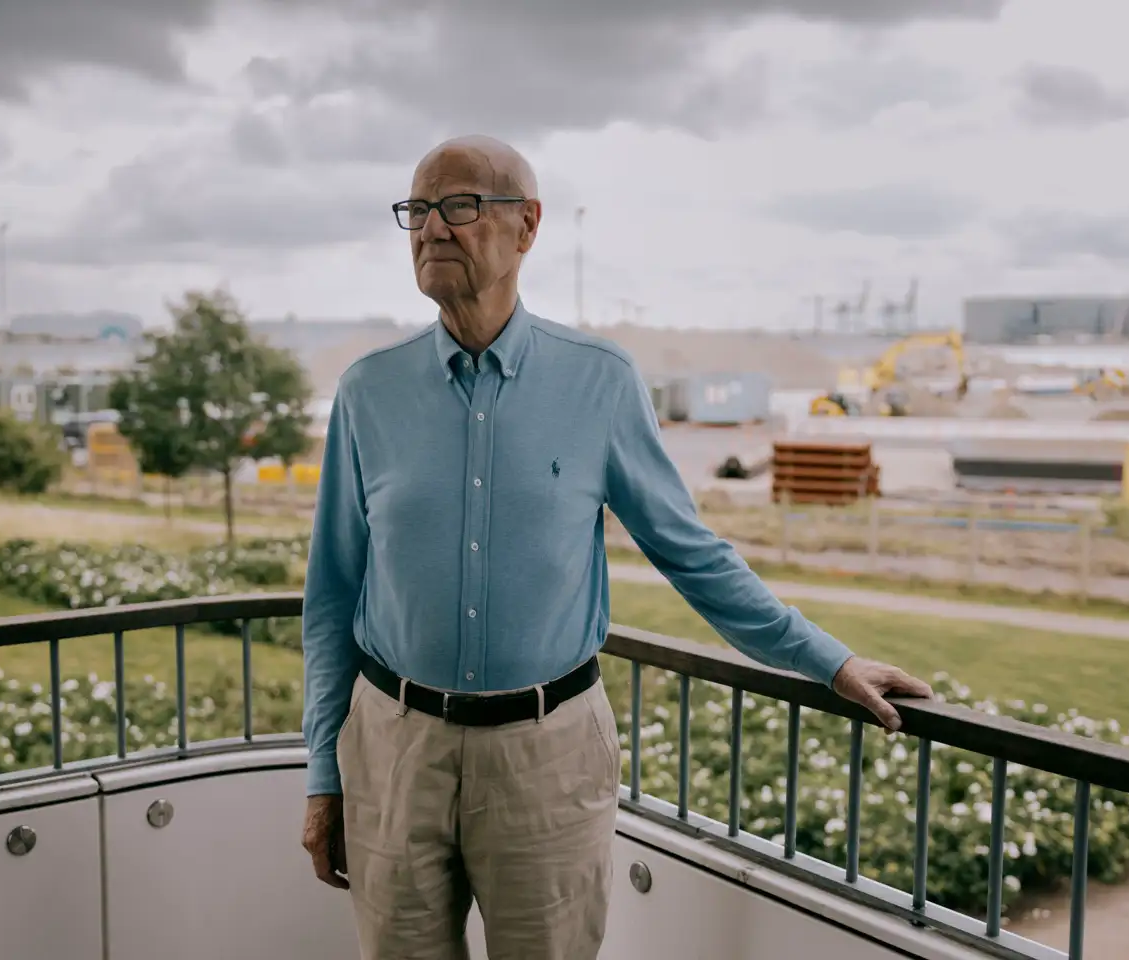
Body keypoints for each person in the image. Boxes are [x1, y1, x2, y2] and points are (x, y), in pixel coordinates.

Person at [300, 134, 934, 960]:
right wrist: (323, 772)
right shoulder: (367, 391)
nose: (431, 230)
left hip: (547, 758)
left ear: (526, 226)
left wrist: (830, 662)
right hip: (389, 748)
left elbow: (690, 552)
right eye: (416, 211)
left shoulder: (600, 381)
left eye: (458, 206)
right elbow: (331, 596)